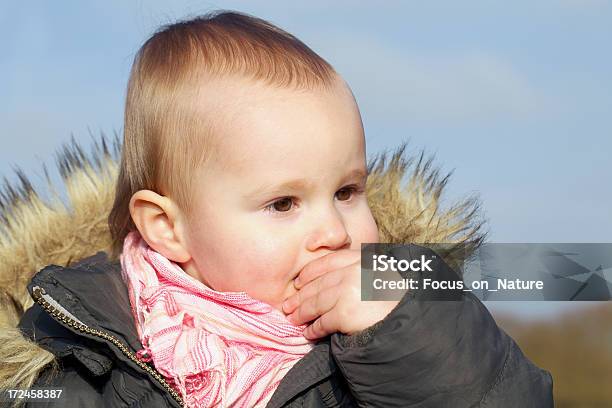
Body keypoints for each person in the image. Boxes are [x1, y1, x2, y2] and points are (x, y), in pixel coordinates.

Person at [0, 10, 553, 407]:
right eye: (283, 203)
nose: (335, 233)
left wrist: (408, 329)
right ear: (169, 228)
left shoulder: (390, 334)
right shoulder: (72, 353)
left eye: (347, 192)